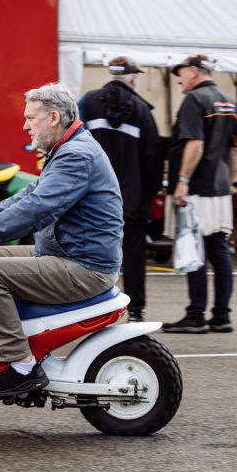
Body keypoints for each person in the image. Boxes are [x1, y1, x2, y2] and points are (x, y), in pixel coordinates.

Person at [0, 83, 123, 399]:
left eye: (31, 117)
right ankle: (21, 339)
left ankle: (22, 365)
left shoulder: (75, 155)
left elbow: (37, 209)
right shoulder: (67, 148)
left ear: (53, 117)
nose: (25, 125)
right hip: (68, 251)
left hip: (85, 267)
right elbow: (31, 194)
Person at [161, 55, 237, 334]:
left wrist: (182, 180)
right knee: (220, 251)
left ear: (194, 71)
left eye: (181, 73)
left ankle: (195, 315)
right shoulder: (228, 101)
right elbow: (235, 150)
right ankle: (221, 315)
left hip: (196, 188)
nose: (180, 79)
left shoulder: (195, 100)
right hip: (218, 189)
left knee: (192, 249)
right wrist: (227, 184)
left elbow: (194, 143)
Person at [79, 57, 163, 322]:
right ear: (134, 79)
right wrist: (151, 191)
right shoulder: (142, 111)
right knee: (134, 254)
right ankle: (136, 311)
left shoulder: (88, 103)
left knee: (91, 254)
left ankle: (93, 310)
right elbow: (153, 158)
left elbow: (73, 146)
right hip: (132, 198)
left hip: (93, 198)